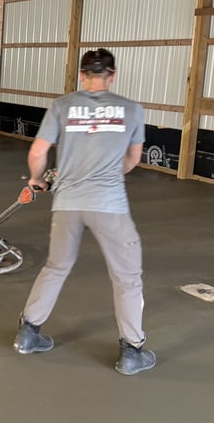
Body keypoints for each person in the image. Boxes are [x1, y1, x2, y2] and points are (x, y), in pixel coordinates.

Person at [12, 48, 155, 376]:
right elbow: (131, 161)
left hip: (67, 203)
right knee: (127, 279)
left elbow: (38, 151)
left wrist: (36, 180)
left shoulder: (62, 106)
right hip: (110, 205)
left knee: (56, 267)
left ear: (81, 75)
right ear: (112, 76)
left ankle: (28, 334)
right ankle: (132, 352)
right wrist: (101, 174)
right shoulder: (131, 110)